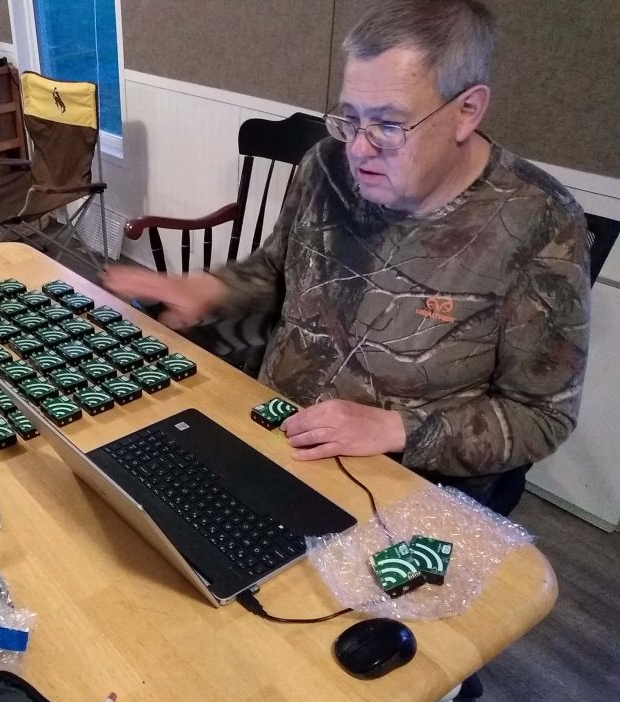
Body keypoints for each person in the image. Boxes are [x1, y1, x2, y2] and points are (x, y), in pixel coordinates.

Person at [103, 0, 590, 515]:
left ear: (467, 110)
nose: (358, 149)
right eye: (350, 119)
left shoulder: (540, 223)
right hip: (269, 433)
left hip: (396, 487)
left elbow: (541, 415)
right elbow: (277, 271)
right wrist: (213, 289)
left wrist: (396, 428)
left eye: (388, 125)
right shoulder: (326, 167)